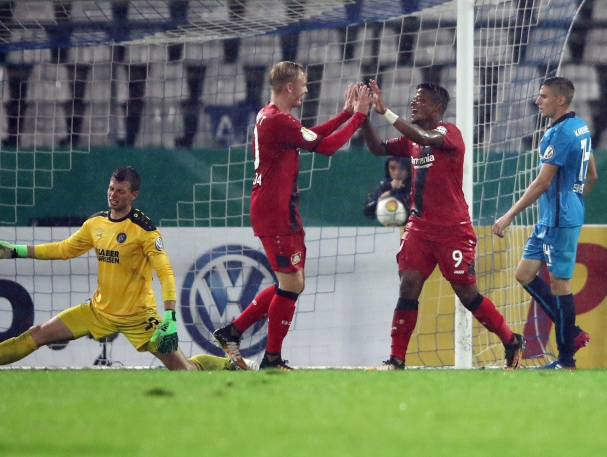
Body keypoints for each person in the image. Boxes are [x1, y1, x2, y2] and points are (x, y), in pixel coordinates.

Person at [0, 166, 251, 371]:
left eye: (121, 191)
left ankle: (228, 366)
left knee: (185, 371)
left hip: (139, 316)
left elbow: (166, 273)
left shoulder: (144, 229)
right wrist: (16, 251)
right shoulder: (96, 223)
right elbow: (62, 250)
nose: (114, 194)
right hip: (98, 310)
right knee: (39, 334)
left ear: (134, 195)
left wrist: (168, 317)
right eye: (111, 188)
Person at [212, 61, 374, 370]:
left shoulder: (272, 116)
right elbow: (326, 147)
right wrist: (359, 117)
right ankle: (268, 357)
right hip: (274, 211)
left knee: (293, 283)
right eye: (303, 84)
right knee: (291, 284)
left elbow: (310, 135)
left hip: (279, 209)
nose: (306, 89)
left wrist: (345, 114)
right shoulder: (278, 121)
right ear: (289, 88)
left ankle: (235, 333)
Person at [359, 80, 525, 370]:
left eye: (419, 100)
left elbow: (424, 138)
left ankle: (511, 341)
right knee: (408, 285)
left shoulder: (449, 133)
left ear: (436, 107)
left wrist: (386, 113)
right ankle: (396, 359)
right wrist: (362, 117)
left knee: (467, 295)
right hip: (419, 228)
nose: (413, 103)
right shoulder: (412, 138)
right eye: (413, 98)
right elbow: (377, 148)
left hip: (453, 231)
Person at [492, 77, 597, 369]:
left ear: (560, 100)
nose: (538, 101)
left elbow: (542, 182)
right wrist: (575, 201)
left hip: (558, 221)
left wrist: (509, 214)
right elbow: (592, 176)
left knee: (560, 286)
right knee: (524, 274)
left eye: (543, 96)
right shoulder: (581, 127)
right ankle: (570, 331)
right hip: (553, 218)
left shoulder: (560, 134)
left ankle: (566, 360)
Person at [363, 156, 412, 220]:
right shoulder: (384, 186)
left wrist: (391, 194)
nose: (397, 173)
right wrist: (380, 199)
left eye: (402, 168)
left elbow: (415, 206)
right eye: (393, 168)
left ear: (408, 169)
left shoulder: (417, 186)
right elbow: (367, 210)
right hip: (388, 228)